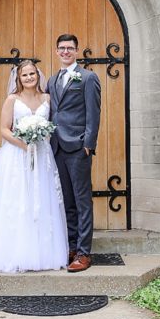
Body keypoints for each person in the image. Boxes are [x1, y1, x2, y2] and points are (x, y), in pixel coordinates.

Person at [0, 59, 68, 272]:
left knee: (43, 199)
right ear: (18, 78)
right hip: (18, 157)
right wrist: (25, 145)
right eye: (24, 75)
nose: (29, 78)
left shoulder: (47, 98)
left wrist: (40, 140)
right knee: (19, 201)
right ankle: (16, 253)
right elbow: (4, 129)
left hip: (43, 156)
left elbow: (52, 125)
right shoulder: (12, 100)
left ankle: (45, 254)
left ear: (38, 75)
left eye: (32, 74)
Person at [48, 33, 101, 273]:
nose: (66, 52)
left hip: (78, 147)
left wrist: (88, 143)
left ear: (77, 51)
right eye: (62, 48)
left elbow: (94, 112)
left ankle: (83, 252)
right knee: (67, 201)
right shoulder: (52, 80)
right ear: (57, 51)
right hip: (57, 147)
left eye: (70, 48)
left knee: (82, 201)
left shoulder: (88, 78)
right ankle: (70, 247)